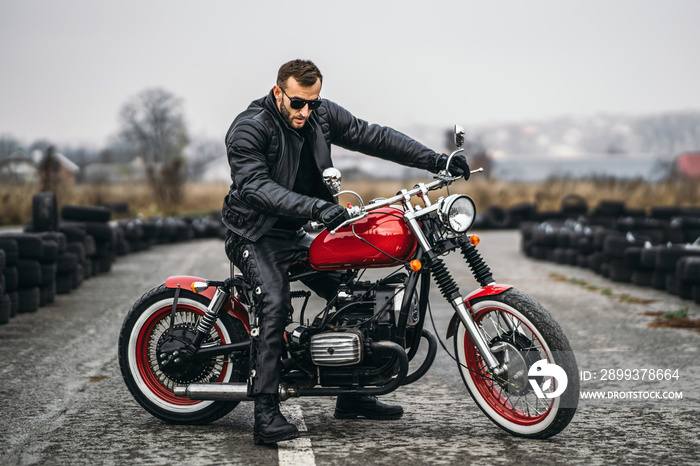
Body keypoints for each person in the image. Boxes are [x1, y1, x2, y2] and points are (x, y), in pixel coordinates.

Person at [222, 59, 470, 444]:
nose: (306, 111)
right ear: (278, 93)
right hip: (256, 233)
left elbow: (374, 136)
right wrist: (317, 208)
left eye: (313, 102)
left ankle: (353, 396)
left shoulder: (321, 115)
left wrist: (436, 160)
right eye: (298, 103)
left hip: (300, 230)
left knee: (354, 297)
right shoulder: (250, 128)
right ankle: (266, 412)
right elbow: (255, 187)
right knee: (274, 303)